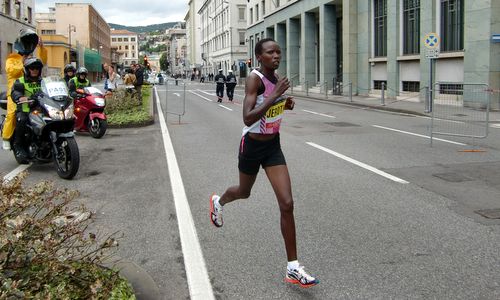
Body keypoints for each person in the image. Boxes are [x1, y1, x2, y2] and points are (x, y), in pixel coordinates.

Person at [209, 38, 319, 288]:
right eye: (270, 52)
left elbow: (270, 107)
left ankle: (293, 267)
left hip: (272, 146)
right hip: (252, 146)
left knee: (287, 203)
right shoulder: (254, 79)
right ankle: (219, 201)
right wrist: (277, 95)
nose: (276, 55)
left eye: (279, 51)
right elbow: (248, 118)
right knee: (244, 192)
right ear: (259, 57)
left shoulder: (275, 78)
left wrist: (284, 104)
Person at [2, 29, 41, 151]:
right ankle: (6, 138)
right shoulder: (11, 59)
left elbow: (42, 64)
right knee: (12, 114)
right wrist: (23, 62)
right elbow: (13, 71)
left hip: (31, 92)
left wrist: (43, 49)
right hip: (15, 92)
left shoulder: (31, 59)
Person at [10, 58, 44, 162]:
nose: (34, 70)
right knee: (22, 120)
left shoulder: (43, 81)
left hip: (41, 109)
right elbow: (15, 92)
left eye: (37, 68)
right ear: (27, 69)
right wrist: (20, 97)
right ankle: (18, 146)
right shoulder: (20, 81)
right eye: (32, 68)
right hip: (25, 109)